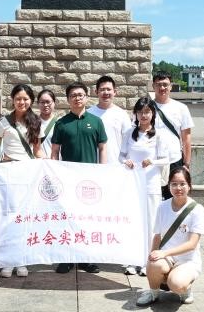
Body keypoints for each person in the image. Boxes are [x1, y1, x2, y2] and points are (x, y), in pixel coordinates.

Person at [0, 83, 43, 278]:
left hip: (26, 174)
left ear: (31, 101)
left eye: (25, 99)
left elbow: (37, 151)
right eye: (18, 99)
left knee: (24, 217)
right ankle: (8, 260)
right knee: (8, 216)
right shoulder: (4, 122)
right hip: (8, 172)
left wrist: (46, 165)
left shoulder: (35, 122)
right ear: (13, 100)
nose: (22, 102)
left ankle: (22, 260)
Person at [51, 82, 107, 274]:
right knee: (67, 219)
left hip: (90, 180)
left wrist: (102, 172)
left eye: (81, 95)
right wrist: (54, 175)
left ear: (87, 97)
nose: (77, 98)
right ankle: (66, 257)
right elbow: (55, 152)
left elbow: (102, 148)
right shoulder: (61, 123)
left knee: (88, 220)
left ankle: (86, 258)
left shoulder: (96, 121)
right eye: (73, 95)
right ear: (68, 99)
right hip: (67, 180)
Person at [136, 166, 204, 306]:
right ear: (168, 186)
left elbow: (192, 244)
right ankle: (153, 293)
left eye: (182, 184)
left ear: (189, 186)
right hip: (167, 257)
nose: (178, 188)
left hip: (188, 259)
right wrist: (152, 258)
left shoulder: (197, 210)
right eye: (174, 184)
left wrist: (164, 253)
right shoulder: (163, 206)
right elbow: (157, 235)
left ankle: (185, 289)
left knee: (176, 283)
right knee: (153, 262)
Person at [120, 97, 168, 277]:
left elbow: (166, 159)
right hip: (133, 184)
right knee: (133, 221)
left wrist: (152, 161)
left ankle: (148, 261)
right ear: (136, 114)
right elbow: (121, 156)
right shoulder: (129, 134)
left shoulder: (159, 135)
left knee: (150, 223)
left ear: (153, 114)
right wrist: (127, 161)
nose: (144, 115)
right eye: (140, 112)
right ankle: (132, 261)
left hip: (151, 185)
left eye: (147, 112)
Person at [152, 72, 194, 199]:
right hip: (152, 161)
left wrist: (186, 164)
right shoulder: (147, 107)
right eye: (159, 85)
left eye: (165, 85)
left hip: (174, 160)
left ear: (171, 86)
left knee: (175, 198)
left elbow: (186, 138)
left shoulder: (181, 108)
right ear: (153, 86)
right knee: (153, 199)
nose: (162, 88)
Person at [87, 75, 130, 166]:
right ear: (96, 92)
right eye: (102, 89)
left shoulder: (122, 114)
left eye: (109, 89)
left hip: (116, 165)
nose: (106, 92)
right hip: (92, 165)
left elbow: (129, 141)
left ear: (115, 92)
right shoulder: (88, 114)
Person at [37, 88, 60, 158]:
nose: (45, 105)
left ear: (54, 103)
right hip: (37, 164)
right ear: (38, 103)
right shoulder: (33, 122)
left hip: (54, 163)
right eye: (42, 102)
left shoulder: (60, 123)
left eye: (48, 102)